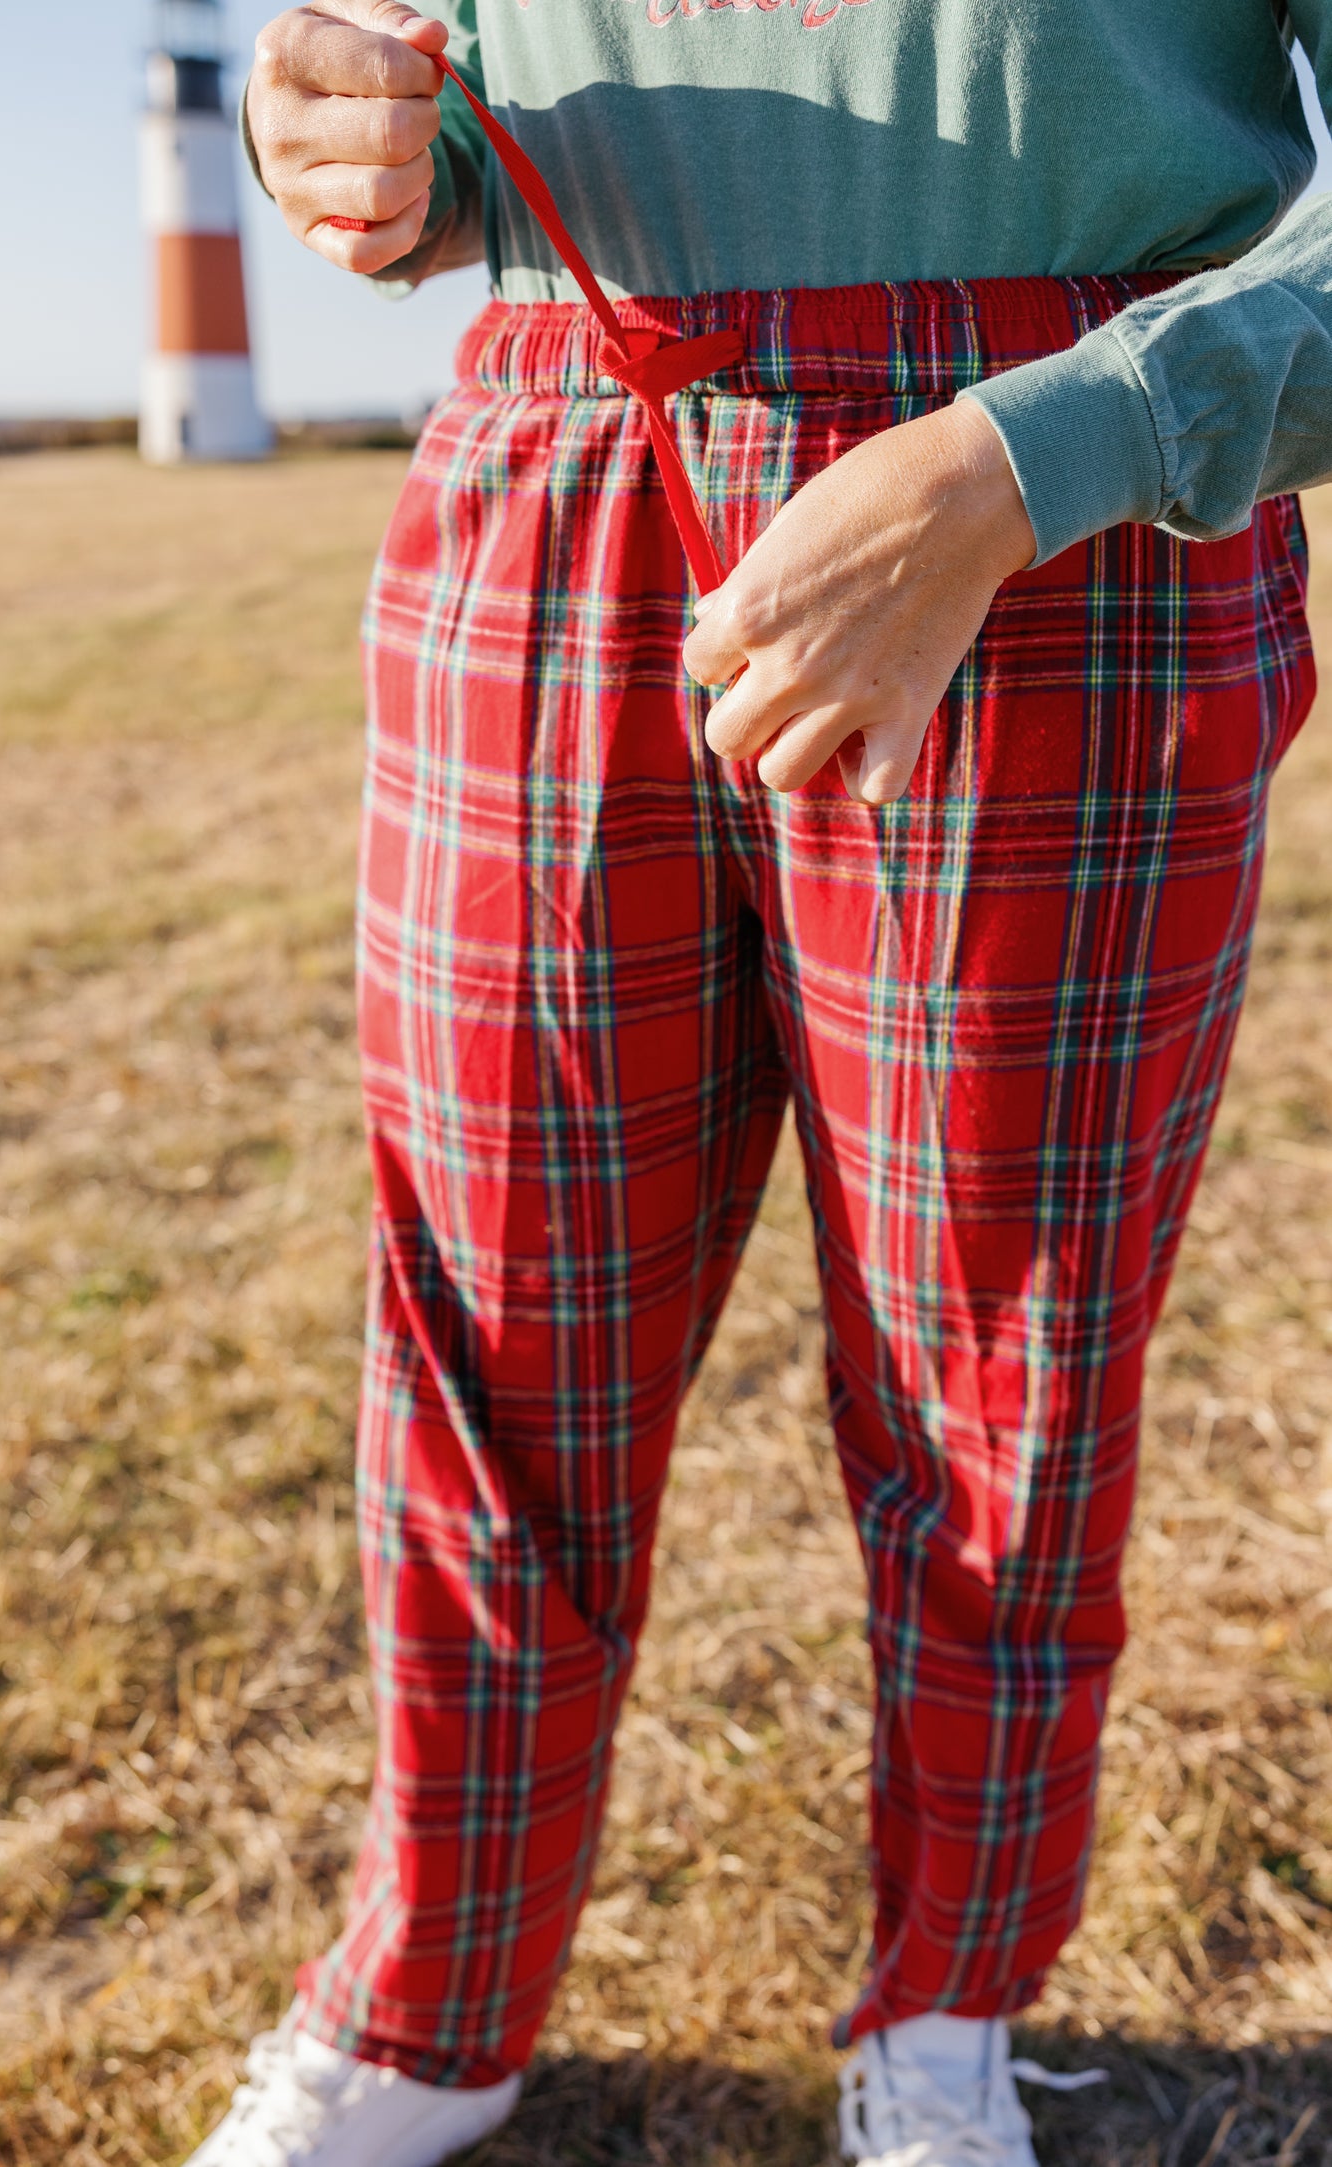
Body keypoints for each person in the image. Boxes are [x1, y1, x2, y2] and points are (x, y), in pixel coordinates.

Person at [184, 4, 1332, 2163]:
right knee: (486, 1327)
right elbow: (392, 88)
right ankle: (432, 2009)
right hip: (544, 470)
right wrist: (331, 133)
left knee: (999, 1363)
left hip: (1047, 521)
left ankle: (945, 2013)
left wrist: (1037, 453)